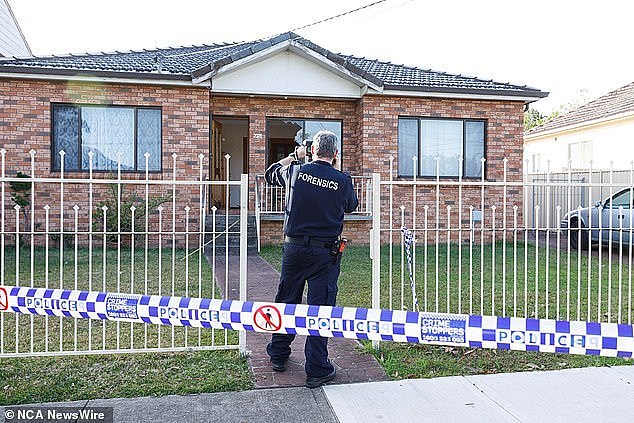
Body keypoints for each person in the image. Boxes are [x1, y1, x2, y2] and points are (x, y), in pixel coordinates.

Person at [264, 130, 358, 388]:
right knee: (320, 309)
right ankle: (317, 368)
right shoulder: (342, 180)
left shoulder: (295, 171)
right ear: (335, 154)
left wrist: (295, 156)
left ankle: (279, 355)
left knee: (286, 302)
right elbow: (351, 206)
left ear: (312, 150)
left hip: (294, 250)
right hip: (325, 254)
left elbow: (270, 173)